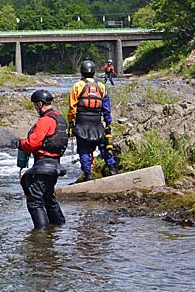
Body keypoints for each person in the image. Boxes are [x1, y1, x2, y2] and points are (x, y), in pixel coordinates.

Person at [14, 89, 68, 230]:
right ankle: (59, 227)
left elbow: (33, 144)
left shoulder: (45, 121)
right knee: (49, 198)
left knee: (35, 201)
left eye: (35, 106)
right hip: (55, 165)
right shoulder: (60, 119)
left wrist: (20, 143)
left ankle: (41, 236)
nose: (35, 109)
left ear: (40, 104)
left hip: (43, 166)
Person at [68, 59, 118, 182]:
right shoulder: (102, 86)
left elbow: (72, 107)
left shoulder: (77, 86)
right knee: (104, 146)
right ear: (94, 72)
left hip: (81, 124)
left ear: (82, 72)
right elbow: (106, 108)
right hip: (97, 123)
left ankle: (88, 174)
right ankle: (112, 168)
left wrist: (71, 123)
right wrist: (108, 122)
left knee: (84, 150)